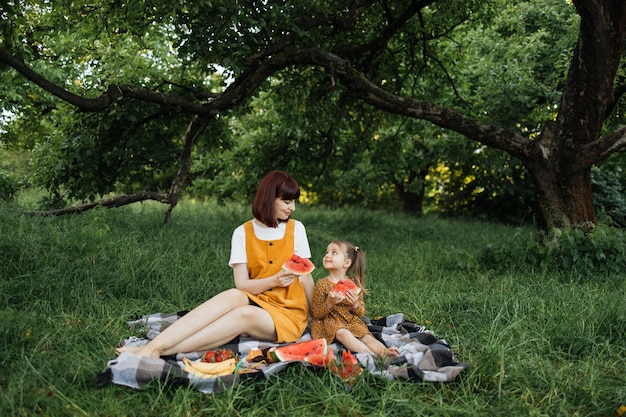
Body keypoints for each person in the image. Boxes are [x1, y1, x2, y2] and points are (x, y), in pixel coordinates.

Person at [117, 170, 315, 358]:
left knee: (243, 315)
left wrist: (317, 316)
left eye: (293, 202)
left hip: (289, 314)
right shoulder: (242, 233)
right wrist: (275, 280)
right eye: (287, 202)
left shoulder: (296, 229)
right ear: (268, 198)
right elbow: (243, 285)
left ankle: (156, 349)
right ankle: (153, 347)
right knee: (233, 295)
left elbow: (306, 278)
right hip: (259, 299)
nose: (293, 208)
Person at [310, 240, 401, 359]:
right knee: (343, 333)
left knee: (366, 336)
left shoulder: (353, 284)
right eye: (326, 252)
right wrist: (329, 303)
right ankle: (371, 356)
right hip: (329, 323)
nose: (327, 255)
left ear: (347, 263)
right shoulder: (321, 284)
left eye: (334, 253)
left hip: (350, 321)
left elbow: (361, 313)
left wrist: (355, 303)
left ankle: (384, 352)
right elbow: (316, 313)